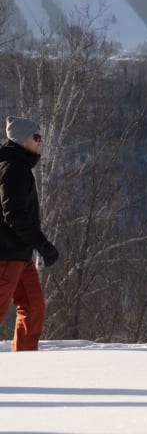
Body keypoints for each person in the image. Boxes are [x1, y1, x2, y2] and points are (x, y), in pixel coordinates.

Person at [0, 116, 59, 351]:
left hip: (19, 254)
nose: (40, 142)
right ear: (23, 139)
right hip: (6, 254)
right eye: (37, 137)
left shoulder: (19, 165)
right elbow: (14, 214)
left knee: (33, 307)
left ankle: (24, 364)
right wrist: (42, 244)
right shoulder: (12, 167)